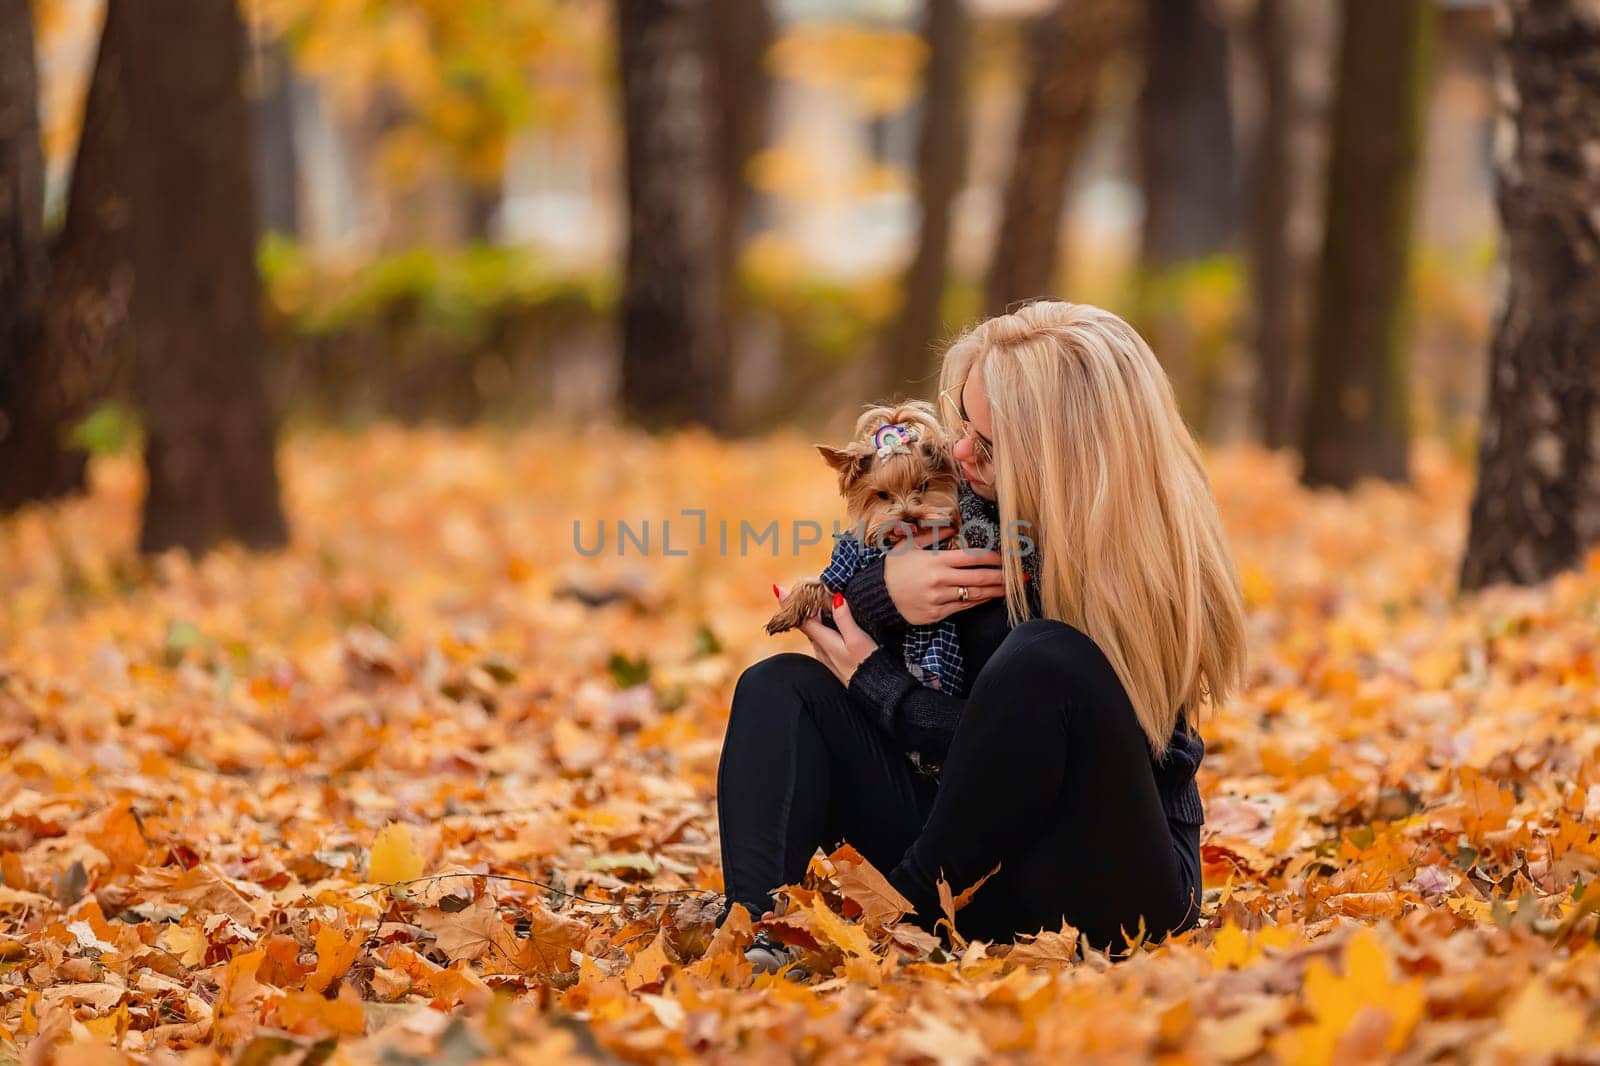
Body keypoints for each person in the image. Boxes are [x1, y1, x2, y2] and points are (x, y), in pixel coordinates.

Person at [717, 300, 1247, 967]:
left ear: (1064, 456)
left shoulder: (1139, 564)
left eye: (987, 443)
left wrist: (875, 684)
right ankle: (755, 933)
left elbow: (1011, 748)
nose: (960, 451)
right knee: (779, 686)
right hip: (963, 874)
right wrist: (888, 598)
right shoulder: (965, 500)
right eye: (962, 424)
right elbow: (854, 567)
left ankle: (892, 923)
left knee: (1045, 659)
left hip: (1101, 883)